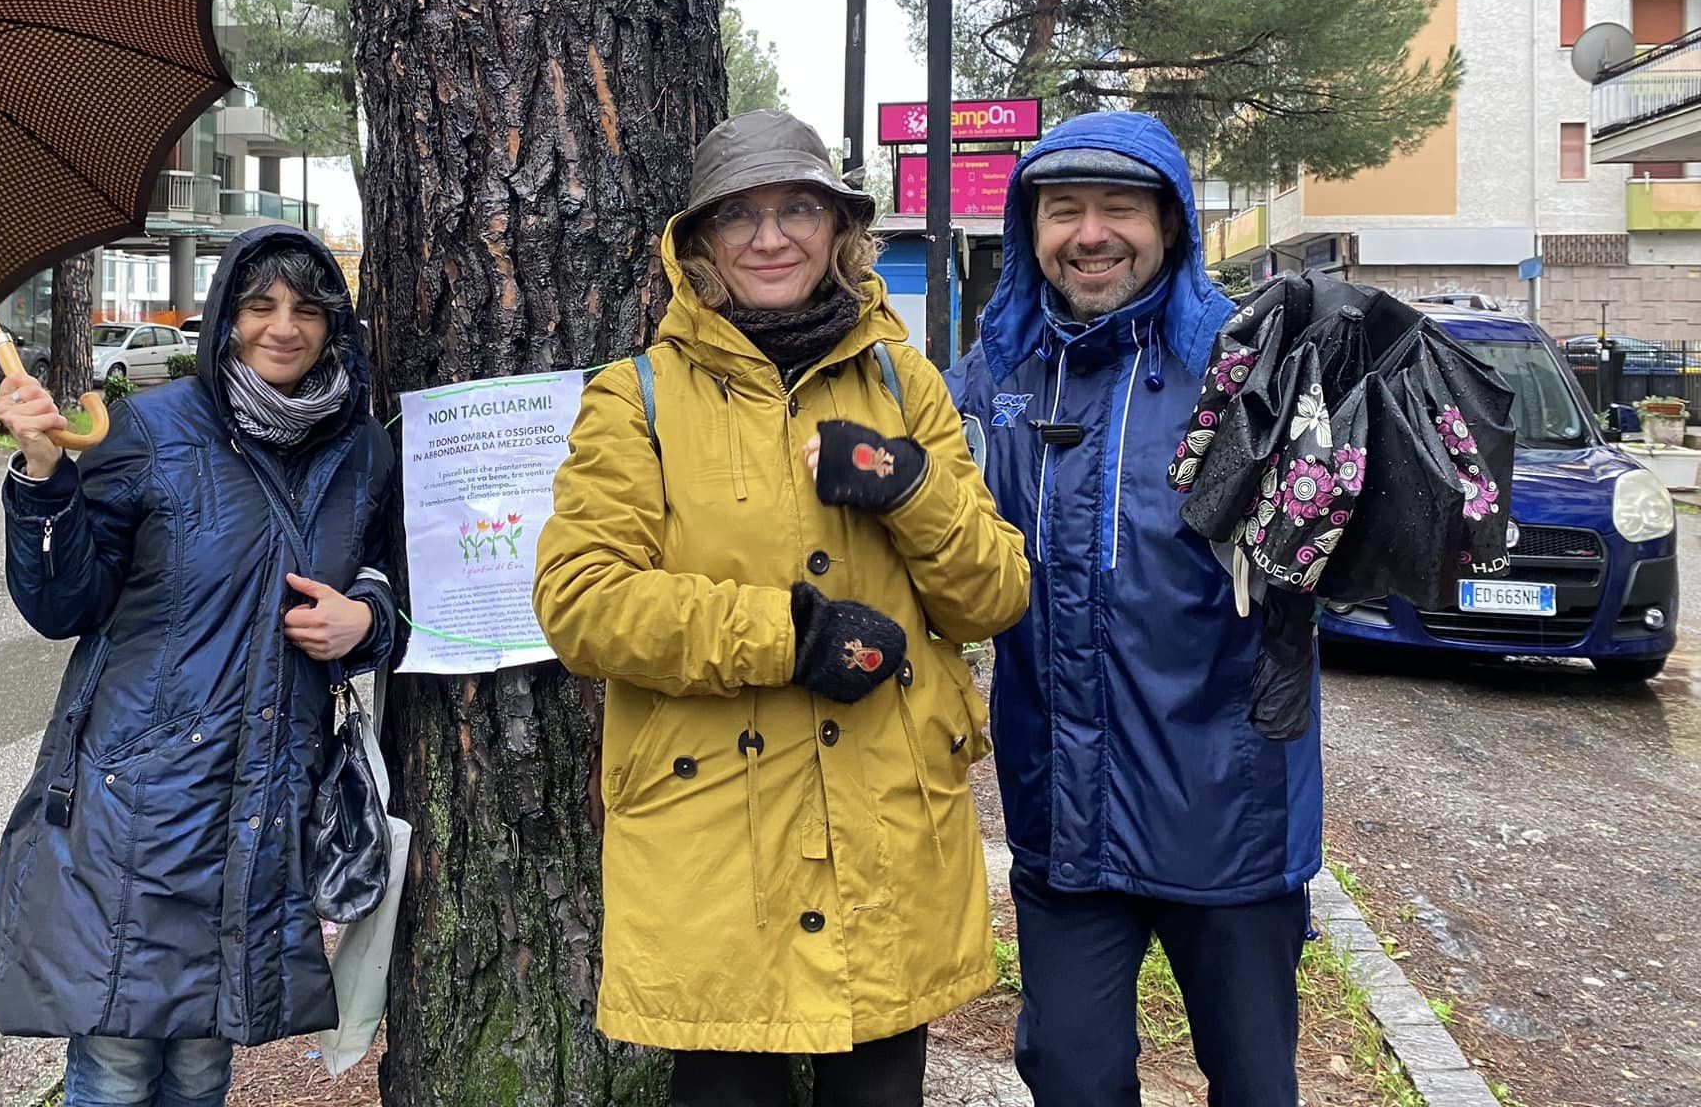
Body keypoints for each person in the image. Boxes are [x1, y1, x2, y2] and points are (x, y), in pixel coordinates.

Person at [534, 110, 1031, 1107]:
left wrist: (908, 488)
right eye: (739, 216)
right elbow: (580, 602)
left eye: (796, 208)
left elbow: (992, 596)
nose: (770, 238)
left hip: (884, 833)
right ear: (700, 246)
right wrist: (788, 636)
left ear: (836, 228)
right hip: (718, 843)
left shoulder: (905, 382)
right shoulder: (632, 397)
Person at [0, 225, 398, 1107]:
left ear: (333, 324)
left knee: (205, 1060)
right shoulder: (153, 429)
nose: (284, 327)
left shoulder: (361, 449)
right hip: (139, 803)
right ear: (225, 320)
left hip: (265, 798)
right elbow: (63, 604)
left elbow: (391, 578)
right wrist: (44, 471)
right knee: (119, 1061)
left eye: (307, 310)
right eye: (260, 306)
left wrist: (367, 620)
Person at [947, 110, 1321, 1107]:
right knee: (1071, 1074)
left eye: (1118, 207)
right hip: (1063, 814)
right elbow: (933, 537)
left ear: (1170, 224)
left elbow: (1352, 549)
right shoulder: (996, 375)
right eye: (1061, 209)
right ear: (1029, 230)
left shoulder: (1247, 370)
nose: (1089, 232)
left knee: (1251, 1084)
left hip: (1227, 813)